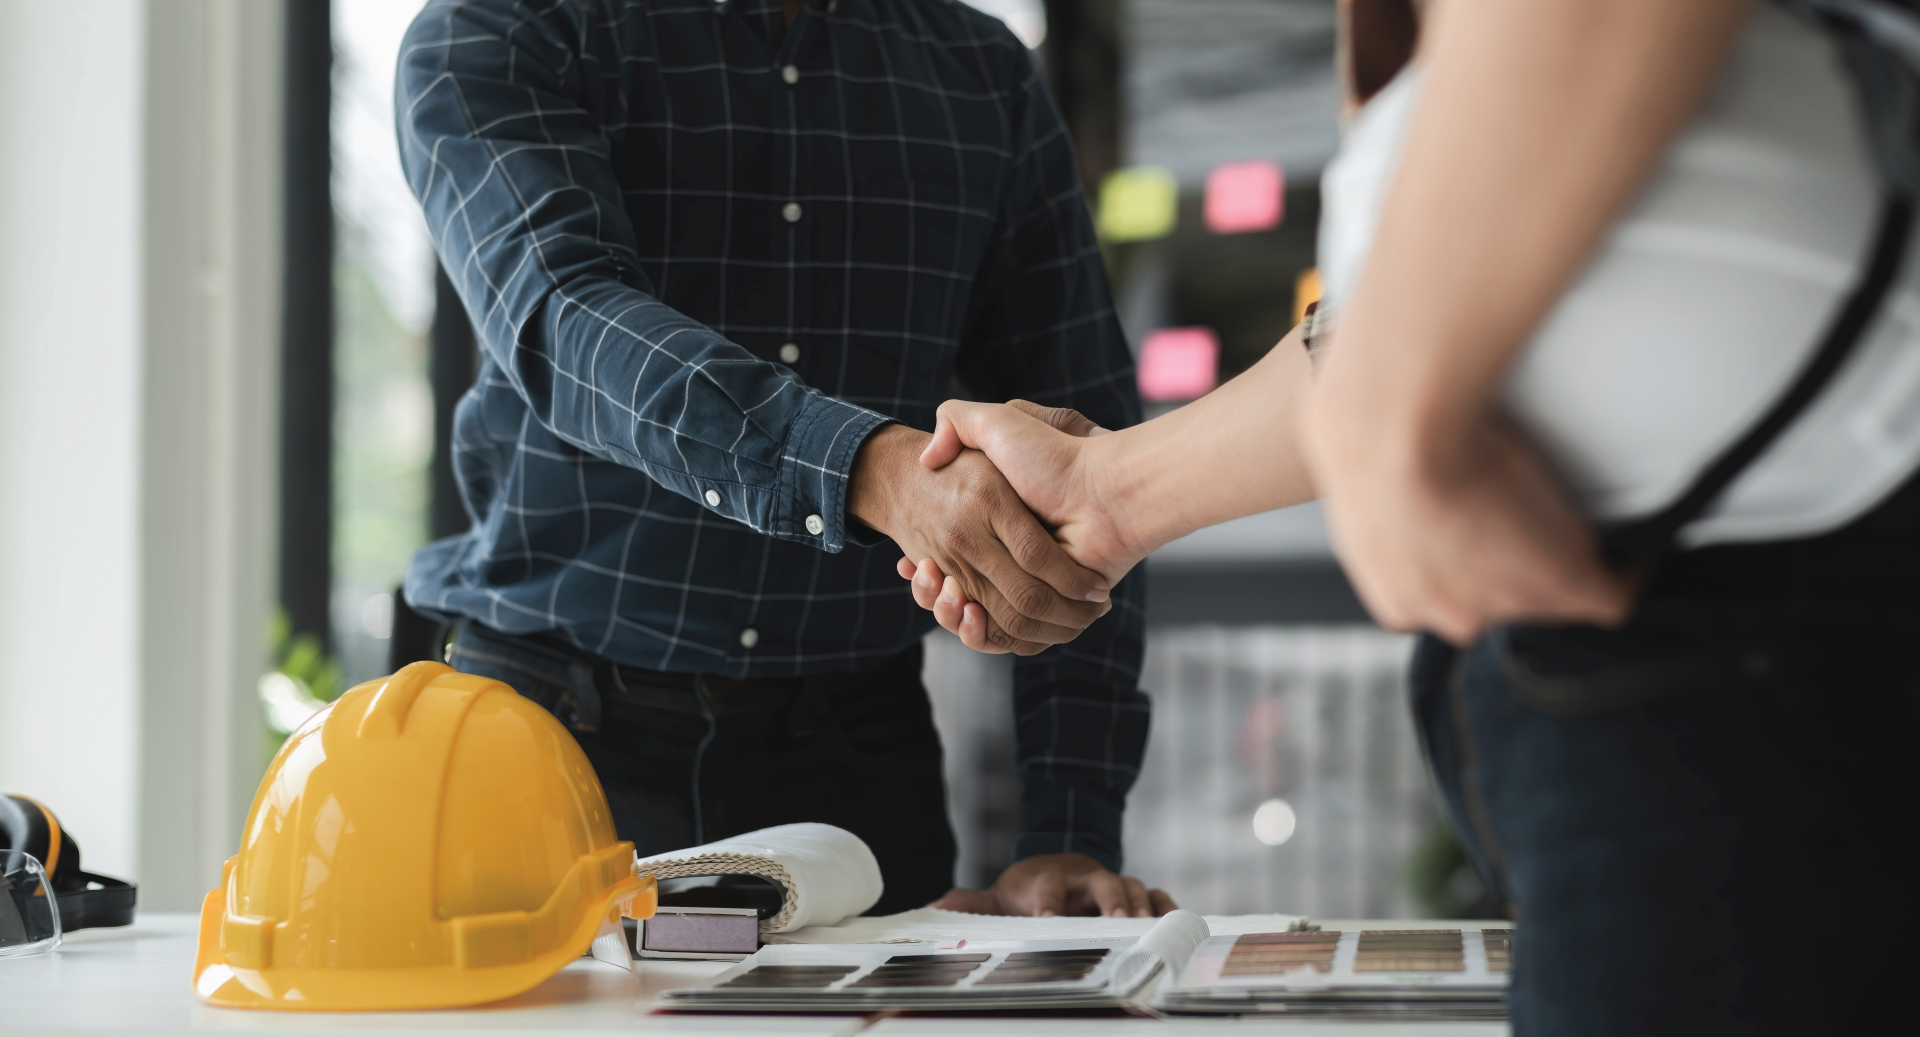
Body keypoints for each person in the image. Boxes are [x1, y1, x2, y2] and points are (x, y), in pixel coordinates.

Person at [904, 0, 1920, 1031]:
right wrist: (1110, 492)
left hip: (1757, 597)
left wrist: (1390, 419)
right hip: (1671, 620)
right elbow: (1390, 304)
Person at [394, 0, 1172, 919]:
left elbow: (1084, 448)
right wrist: (867, 469)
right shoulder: (502, 29)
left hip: (859, 757)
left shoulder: (980, 71)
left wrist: (1067, 831)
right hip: (550, 742)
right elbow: (562, 319)